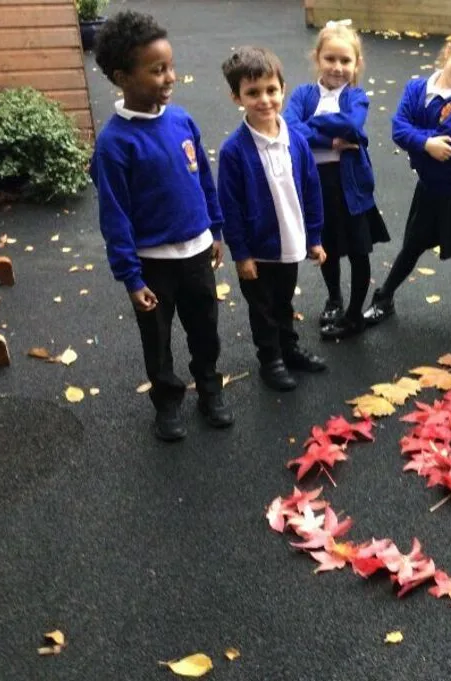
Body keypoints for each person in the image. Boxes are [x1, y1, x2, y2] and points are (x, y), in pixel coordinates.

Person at [89, 10, 234, 442]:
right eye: (157, 70)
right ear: (122, 77)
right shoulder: (115, 144)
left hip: (196, 253)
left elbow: (202, 178)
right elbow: (114, 216)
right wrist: (131, 278)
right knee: (157, 339)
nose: (170, 76)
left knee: (205, 328)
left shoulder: (182, 120)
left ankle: (209, 388)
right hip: (152, 267)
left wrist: (215, 229)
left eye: (170, 66)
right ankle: (167, 402)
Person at [363, 27, 451, 337]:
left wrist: (418, 140)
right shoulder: (416, 88)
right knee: (412, 245)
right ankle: (385, 298)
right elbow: (398, 128)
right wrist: (426, 143)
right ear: (450, 49)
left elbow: (449, 145)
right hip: (432, 187)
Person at [217, 47, 328, 391]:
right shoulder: (234, 151)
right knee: (262, 307)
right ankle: (271, 359)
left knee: (283, 300)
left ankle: (288, 347)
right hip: (258, 249)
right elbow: (230, 206)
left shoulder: (296, 139)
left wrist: (314, 237)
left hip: (290, 239)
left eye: (271, 90)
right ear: (237, 97)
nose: (264, 99)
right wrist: (242, 254)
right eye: (253, 93)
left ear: (282, 88)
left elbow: (311, 188)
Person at [284, 20, 389, 341]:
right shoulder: (303, 94)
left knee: (358, 251)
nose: (338, 67)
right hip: (317, 186)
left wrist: (311, 126)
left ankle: (355, 313)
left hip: (351, 187)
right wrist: (329, 141)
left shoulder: (356, 96)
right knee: (326, 247)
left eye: (346, 60)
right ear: (317, 58)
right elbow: (288, 127)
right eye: (330, 58)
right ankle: (334, 299)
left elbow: (353, 125)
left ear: (357, 64)